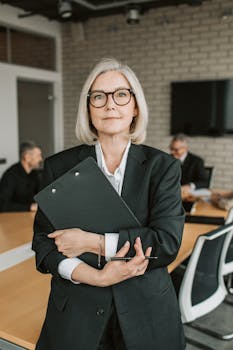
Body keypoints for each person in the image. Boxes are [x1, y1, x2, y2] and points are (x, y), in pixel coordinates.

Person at [32, 58, 185, 350]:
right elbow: (43, 245)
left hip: (147, 312)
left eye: (121, 94)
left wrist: (95, 242)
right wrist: (97, 277)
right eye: (98, 96)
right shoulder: (59, 166)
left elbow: (166, 243)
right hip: (76, 313)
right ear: (88, 109)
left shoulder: (162, 167)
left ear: (135, 106)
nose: (109, 105)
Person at [0, 141, 43, 212]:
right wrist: (30, 207)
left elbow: (39, 195)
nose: (41, 159)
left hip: (29, 216)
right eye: (38, 156)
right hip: (13, 219)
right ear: (27, 157)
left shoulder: (34, 174)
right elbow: (2, 205)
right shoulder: (10, 175)